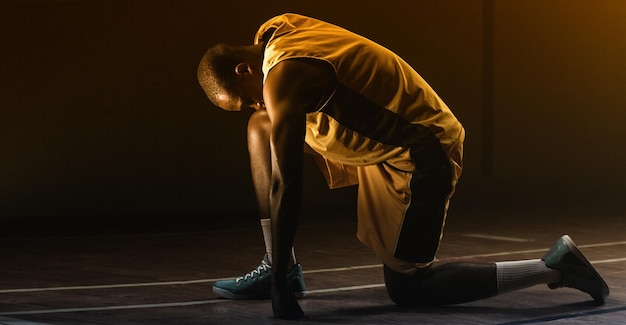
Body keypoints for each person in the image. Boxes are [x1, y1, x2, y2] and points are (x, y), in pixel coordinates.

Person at [197, 13, 609, 320]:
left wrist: (277, 297)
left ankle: (553, 267)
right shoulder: (274, 30)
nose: (254, 102)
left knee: (409, 287)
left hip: (419, 153)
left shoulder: (282, 78)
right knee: (260, 125)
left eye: (246, 97)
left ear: (244, 69)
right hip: (379, 137)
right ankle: (280, 266)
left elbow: (287, 184)